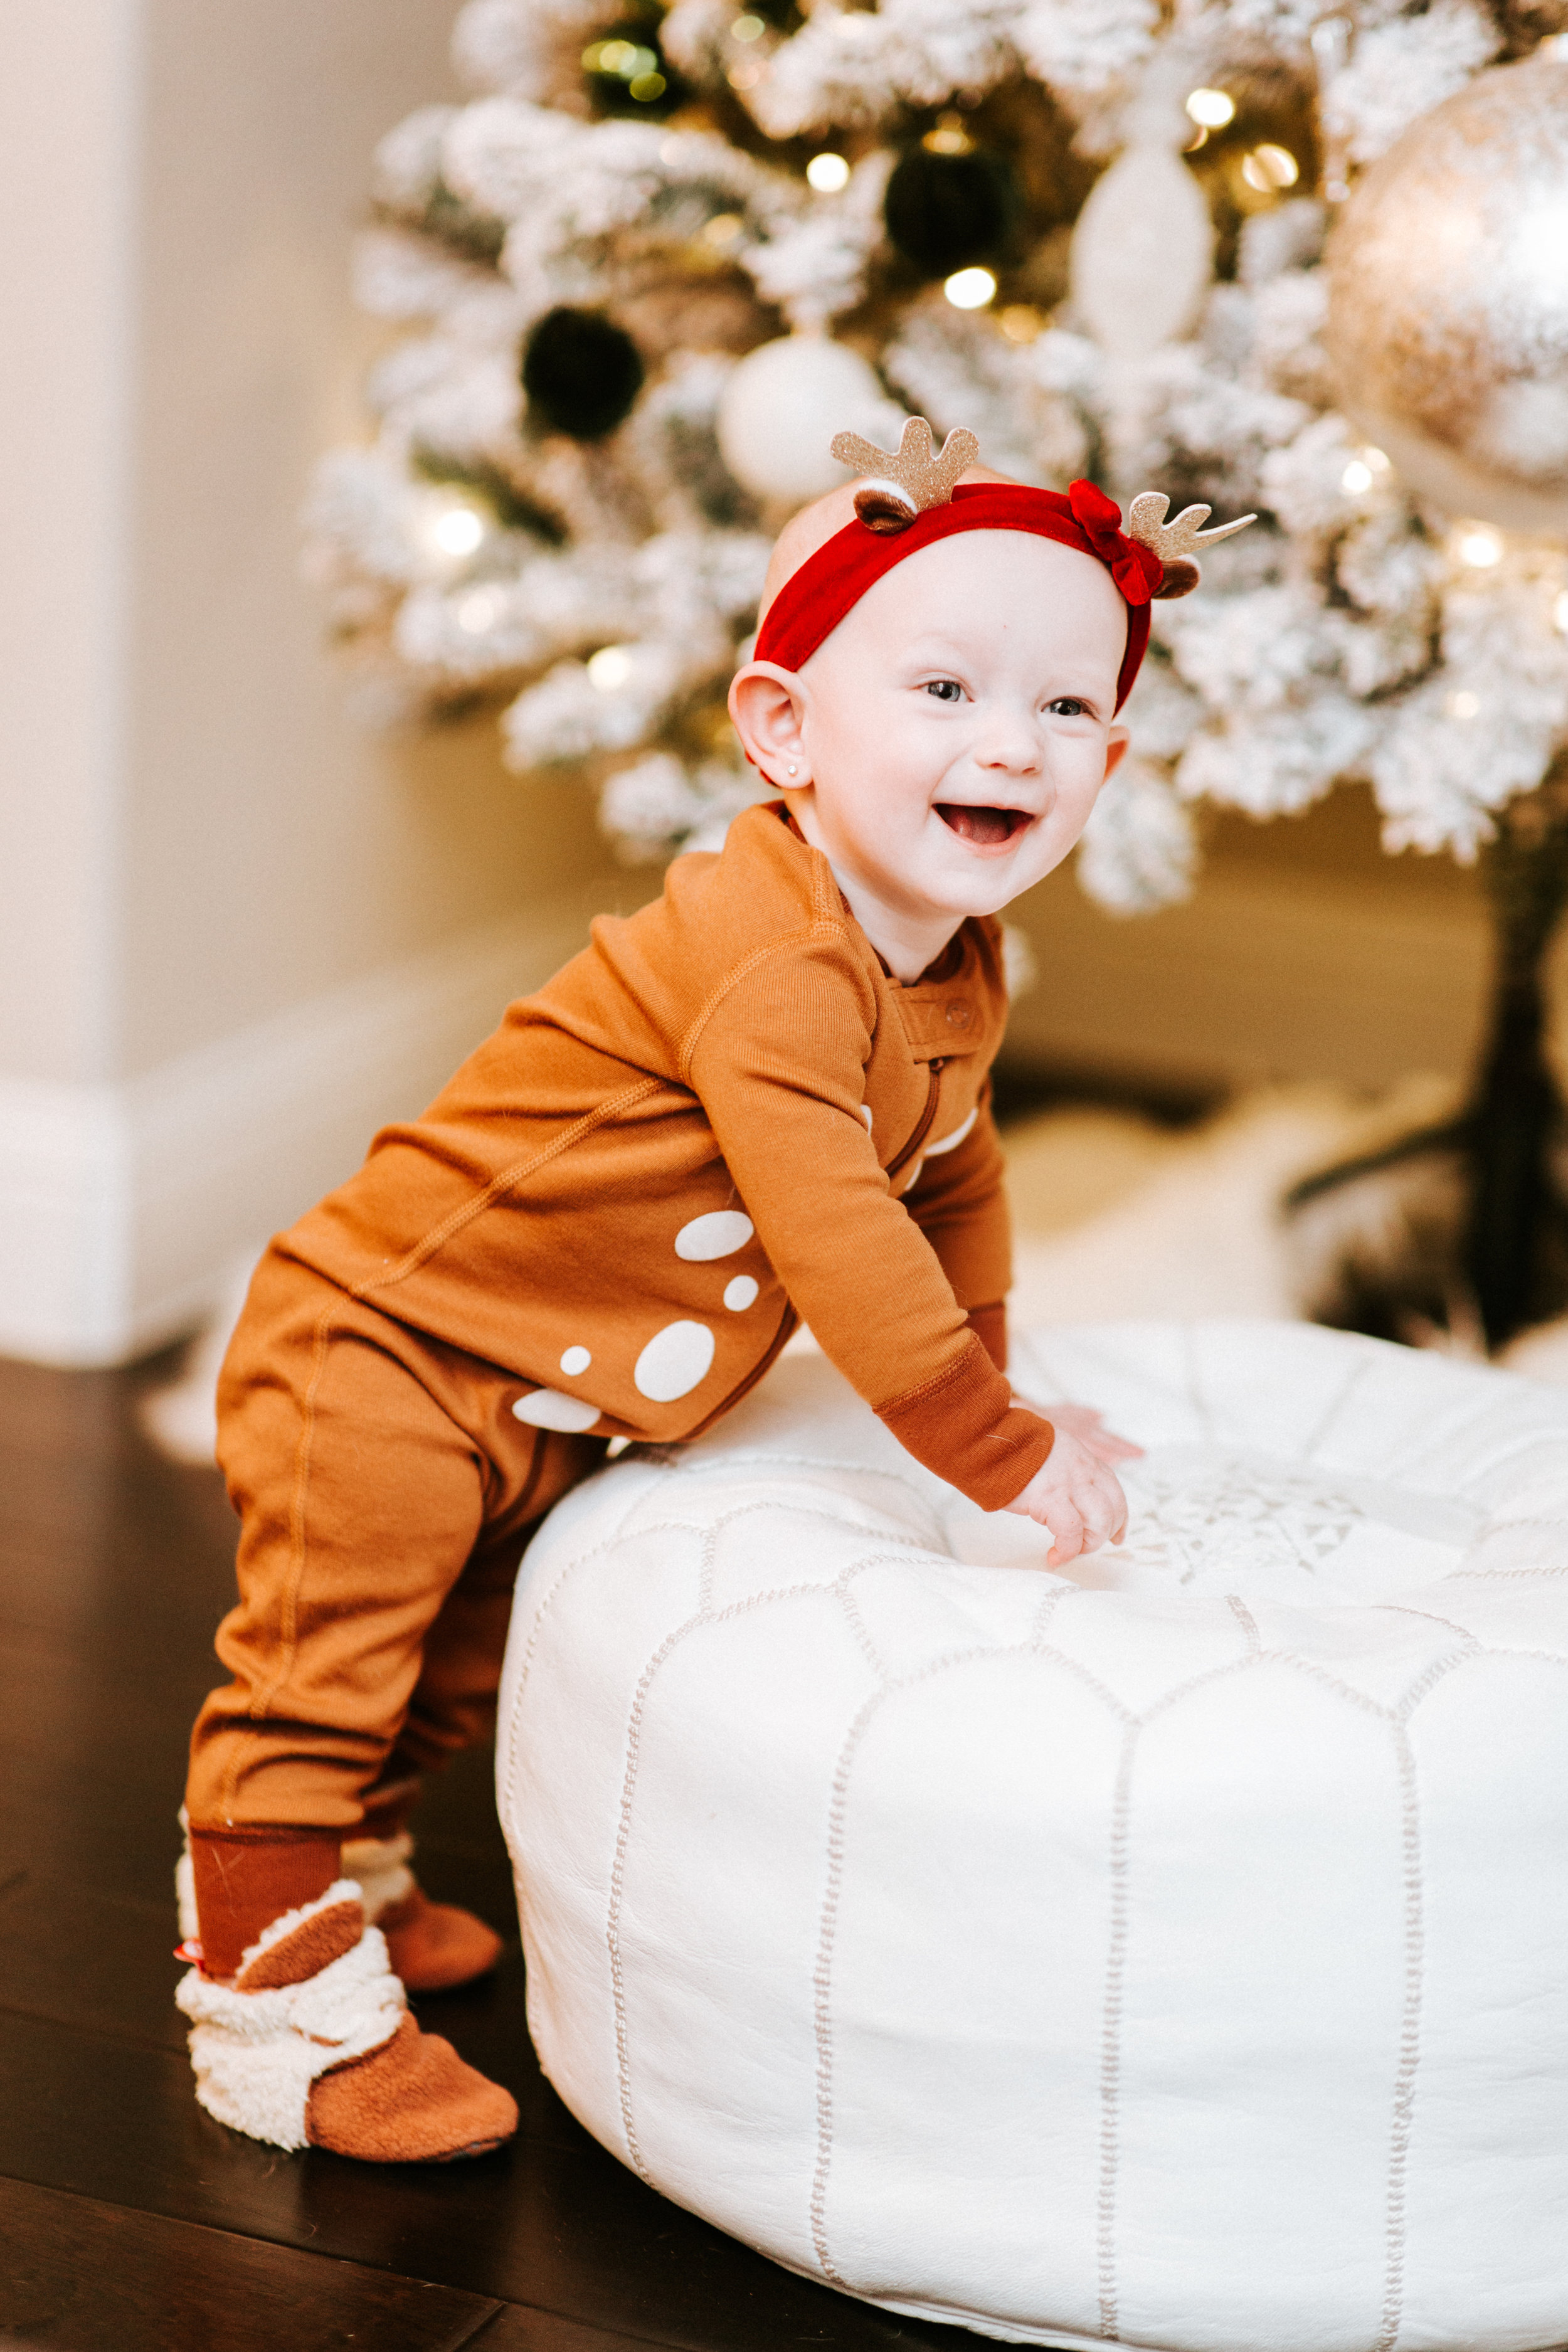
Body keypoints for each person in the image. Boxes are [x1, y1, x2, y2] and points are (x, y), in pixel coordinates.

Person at [174, 424, 1249, 2164]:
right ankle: (270, 2005)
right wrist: (987, 1448)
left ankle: (347, 1872)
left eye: (1067, 707)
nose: (1011, 743)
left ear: (1109, 760)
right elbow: (839, 1229)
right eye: (946, 688)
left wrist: (1007, 1388)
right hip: (385, 1344)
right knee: (323, 1669)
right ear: (782, 730)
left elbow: (953, 1183)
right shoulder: (775, 956)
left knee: (453, 1660)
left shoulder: (955, 961)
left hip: (543, 1381)